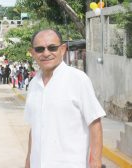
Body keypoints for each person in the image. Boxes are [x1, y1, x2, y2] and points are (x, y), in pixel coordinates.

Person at [24, 29, 106, 168]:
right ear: (32, 53)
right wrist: (28, 162)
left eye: (52, 48)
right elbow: (35, 128)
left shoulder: (78, 79)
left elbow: (95, 123)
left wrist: (96, 162)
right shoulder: (33, 84)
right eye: (39, 49)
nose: (46, 53)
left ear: (62, 49)